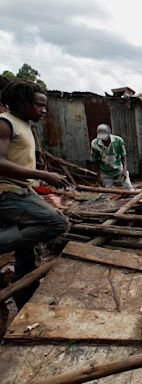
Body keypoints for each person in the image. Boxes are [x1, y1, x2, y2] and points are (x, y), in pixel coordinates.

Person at [0, 80, 69, 308]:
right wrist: (43, 174)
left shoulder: (23, 125)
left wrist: (37, 179)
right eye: (39, 105)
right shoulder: (5, 123)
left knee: (25, 252)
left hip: (22, 190)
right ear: (20, 102)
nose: (44, 110)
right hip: (7, 194)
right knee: (56, 223)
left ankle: (24, 298)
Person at [90, 124, 134, 190]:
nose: (104, 139)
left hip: (118, 168)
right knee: (107, 192)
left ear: (109, 133)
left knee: (129, 188)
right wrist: (99, 176)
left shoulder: (118, 140)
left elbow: (123, 156)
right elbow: (95, 161)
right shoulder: (94, 144)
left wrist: (124, 171)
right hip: (105, 171)